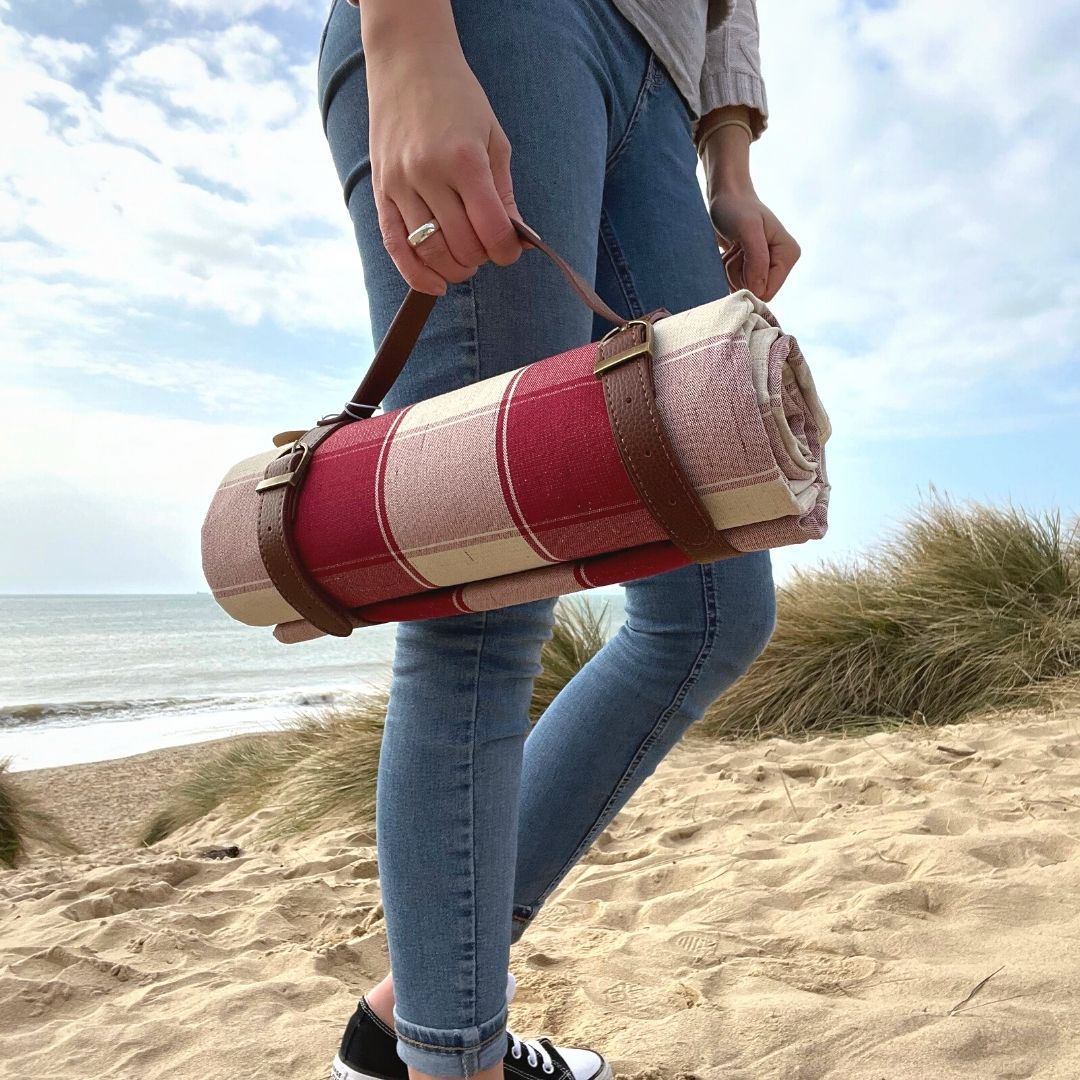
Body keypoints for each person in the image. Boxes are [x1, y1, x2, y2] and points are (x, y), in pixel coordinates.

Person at [316, 1, 799, 1077]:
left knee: (714, 610)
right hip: (499, 26)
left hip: (660, 100)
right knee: (480, 606)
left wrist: (729, 157)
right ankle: (453, 1058)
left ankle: (413, 1023)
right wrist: (405, 38)